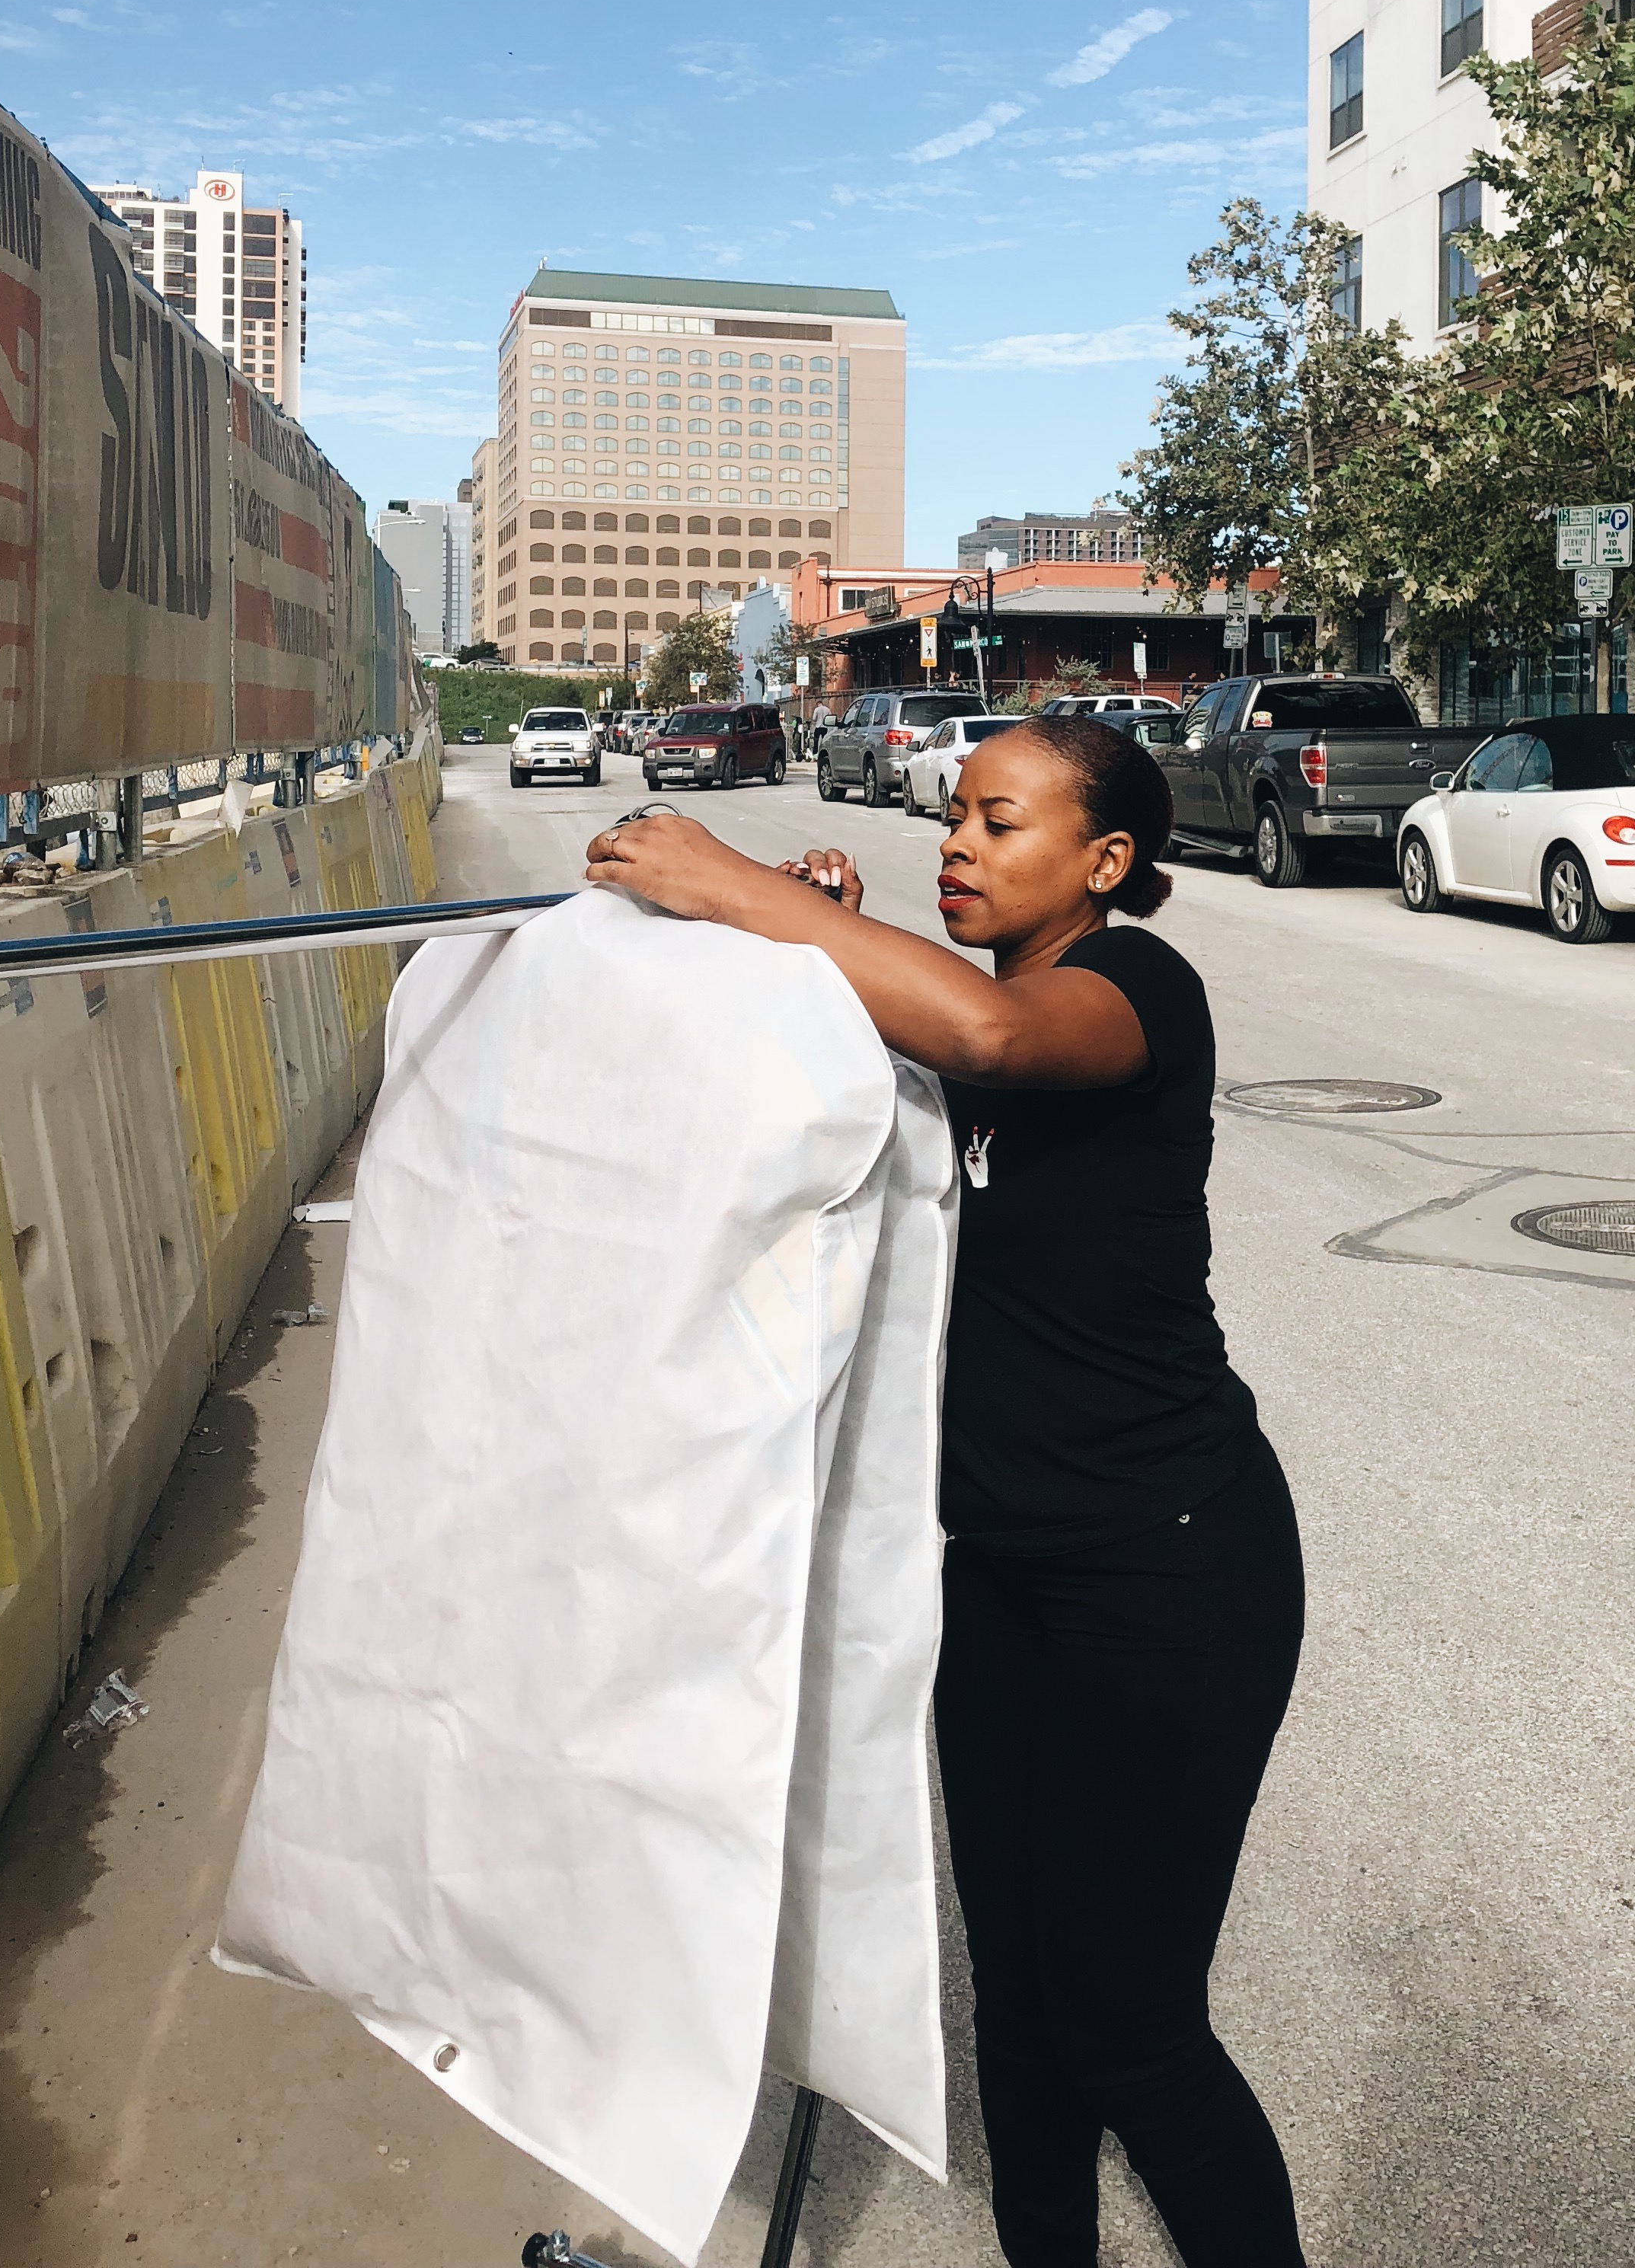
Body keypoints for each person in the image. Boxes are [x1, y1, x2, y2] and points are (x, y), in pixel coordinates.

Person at [582, 720, 1305, 2268]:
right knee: (1025, 2003)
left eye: (999, 821)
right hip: (1000, 1581)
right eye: (955, 820)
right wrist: (791, 919)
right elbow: (860, 1048)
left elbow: (988, 1039)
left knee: (1131, 2027)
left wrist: (745, 889)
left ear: (1104, 862)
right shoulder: (958, 998)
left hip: (1170, 1570)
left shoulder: (1135, 992)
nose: (958, 844)